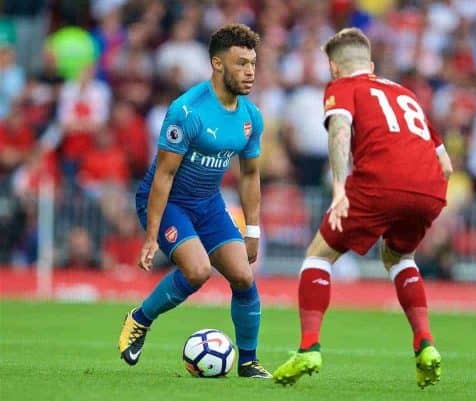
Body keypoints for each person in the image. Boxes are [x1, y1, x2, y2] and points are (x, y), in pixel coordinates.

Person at [273, 28, 453, 388]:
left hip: (379, 183)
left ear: (334, 68)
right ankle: (425, 344)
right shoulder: (406, 94)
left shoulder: (342, 88)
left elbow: (339, 130)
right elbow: (446, 164)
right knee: (400, 258)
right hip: (430, 187)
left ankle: (309, 347)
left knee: (317, 256)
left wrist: (340, 187)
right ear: (370, 64)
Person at [117, 24, 271, 379]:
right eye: (240, 63)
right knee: (198, 270)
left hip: (208, 204)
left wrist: (254, 230)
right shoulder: (187, 111)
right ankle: (139, 319)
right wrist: (151, 235)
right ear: (217, 64)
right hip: (170, 201)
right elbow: (164, 176)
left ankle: (248, 363)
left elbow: (249, 175)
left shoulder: (251, 117)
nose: (249, 72)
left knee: (243, 278)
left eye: (252, 63)